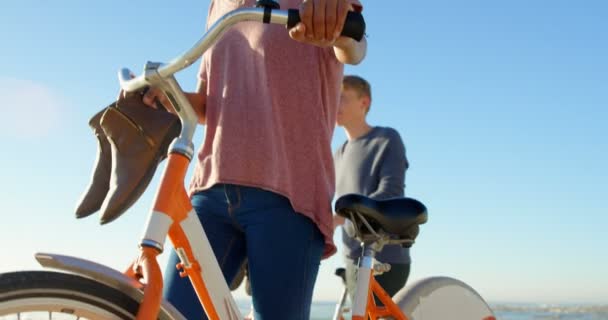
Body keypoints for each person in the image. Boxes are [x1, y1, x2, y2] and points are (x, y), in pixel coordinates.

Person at [130, 1, 367, 319]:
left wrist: (337, 25)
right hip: (212, 190)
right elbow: (208, 103)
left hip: (288, 198)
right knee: (170, 314)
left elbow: (353, 48)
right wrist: (162, 96)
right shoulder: (219, 5)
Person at [333, 75, 410, 302]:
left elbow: (391, 193)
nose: (334, 105)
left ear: (363, 102)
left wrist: (339, 218)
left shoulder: (387, 139)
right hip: (351, 256)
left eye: (342, 98)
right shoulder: (338, 153)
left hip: (385, 258)